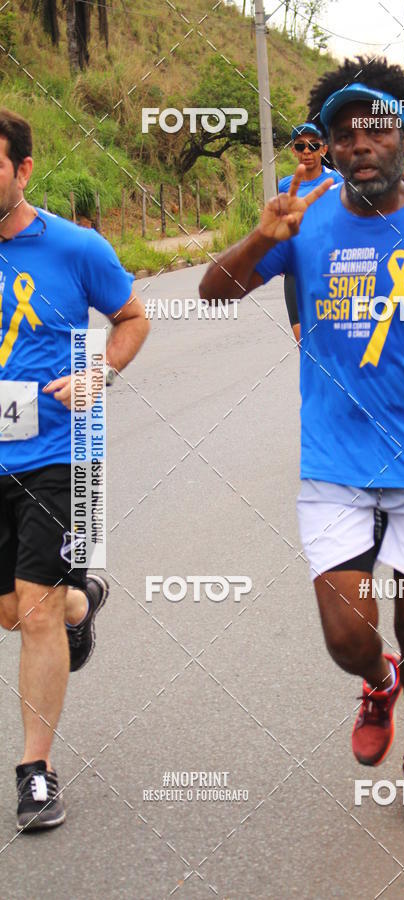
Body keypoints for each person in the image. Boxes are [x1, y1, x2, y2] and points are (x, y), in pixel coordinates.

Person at [200, 57, 404, 825]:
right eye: (344, 133)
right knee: (350, 634)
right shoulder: (304, 219)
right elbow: (213, 295)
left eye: (376, 129)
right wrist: (258, 240)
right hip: (335, 461)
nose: (360, 145)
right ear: (330, 145)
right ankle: (374, 680)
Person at [0, 108, 149, 829]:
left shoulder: (74, 247)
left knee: (31, 613)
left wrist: (99, 372)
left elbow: (132, 318)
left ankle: (36, 771)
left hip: (60, 454)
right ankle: (81, 601)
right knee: (13, 612)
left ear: (22, 171)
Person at [279, 124, 343, 343]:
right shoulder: (285, 185)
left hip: (328, 269)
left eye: (313, 146)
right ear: (293, 151)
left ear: (323, 150)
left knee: (331, 343)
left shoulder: (336, 182)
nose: (307, 151)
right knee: (304, 345)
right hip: (295, 272)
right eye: (300, 146)